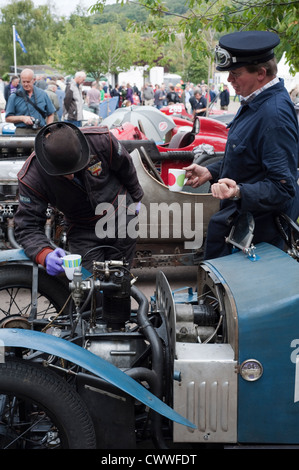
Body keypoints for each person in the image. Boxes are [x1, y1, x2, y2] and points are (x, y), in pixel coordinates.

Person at [184, 30, 299, 260]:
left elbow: (283, 188)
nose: (229, 80)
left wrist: (238, 191)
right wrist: (210, 171)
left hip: (257, 240)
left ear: (261, 73)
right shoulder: (258, 101)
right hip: (243, 230)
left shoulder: (273, 115)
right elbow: (247, 158)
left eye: (236, 73)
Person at [14, 122, 144, 277]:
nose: (71, 176)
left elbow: (126, 167)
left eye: (76, 169)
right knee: (87, 289)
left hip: (121, 218)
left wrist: (136, 198)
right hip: (83, 231)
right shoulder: (32, 178)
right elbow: (27, 225)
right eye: (63, 174)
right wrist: (44, 254)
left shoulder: (101, 141)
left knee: (119, 286)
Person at [5, 68, 55, 135]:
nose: (25, 84)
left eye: (28, 82)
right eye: (23, 82)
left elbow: (51, 113)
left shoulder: (43, 94)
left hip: (40, 131)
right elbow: (7, 118)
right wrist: (22, 118)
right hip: (21, 132)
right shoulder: (14, 96)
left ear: (33, 80)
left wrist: (48, 131)